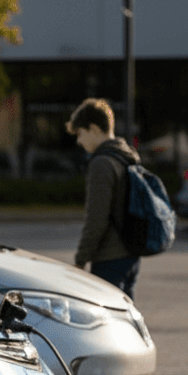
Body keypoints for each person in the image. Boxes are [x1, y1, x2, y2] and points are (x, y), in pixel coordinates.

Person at [67, 98, 141, 300]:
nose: (79, 141)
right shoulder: (126, 155)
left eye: (80, 134)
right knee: (125, 317)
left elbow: (96, 218)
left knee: (106, 321)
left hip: (109, 257)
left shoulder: (102, 163)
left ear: (93, 129)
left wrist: (80, 260)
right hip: (130, 254)